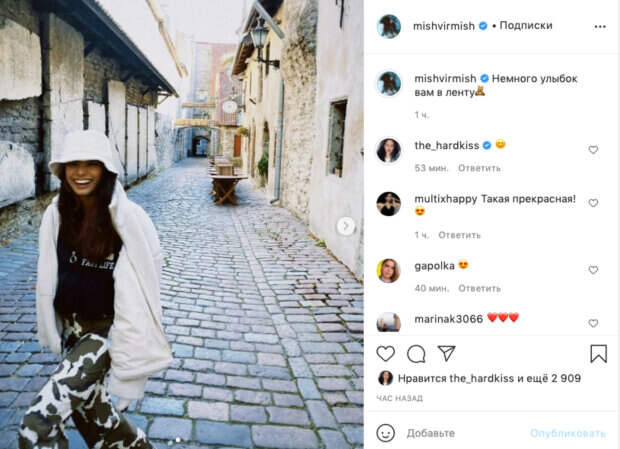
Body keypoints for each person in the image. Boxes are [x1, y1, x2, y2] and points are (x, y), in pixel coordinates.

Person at [19, 130, 172, 449]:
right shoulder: (56, 214)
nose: (81, 172)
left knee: (36, 426)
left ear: (106, 169)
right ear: (62, 169)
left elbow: (146, 289)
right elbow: (50, 274)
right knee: (99, 423)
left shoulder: (131, 220)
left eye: (91, 164)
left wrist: (129, 356)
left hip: (104, 337)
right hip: (71, 334)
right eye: (73, 164)